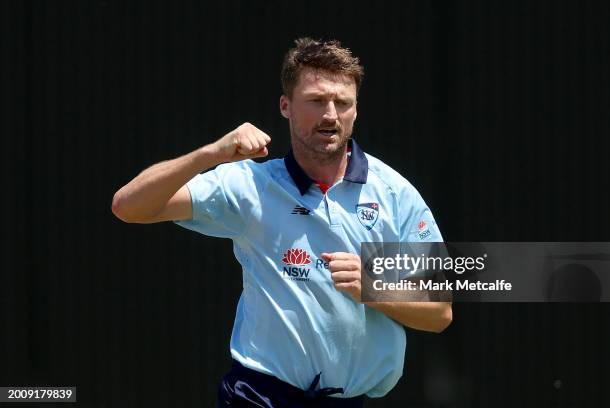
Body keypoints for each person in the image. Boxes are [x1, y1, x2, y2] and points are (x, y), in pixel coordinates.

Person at [112, 37, 452, 407]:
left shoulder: (395, 193)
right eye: (317, 100)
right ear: (285, 106)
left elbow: (440, 311)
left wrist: (373, 287)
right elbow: (129, 206)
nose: (330, 115)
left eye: (343, 102)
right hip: (260, 396)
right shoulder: (251, 184)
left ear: (356, 110)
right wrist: (211, 154)